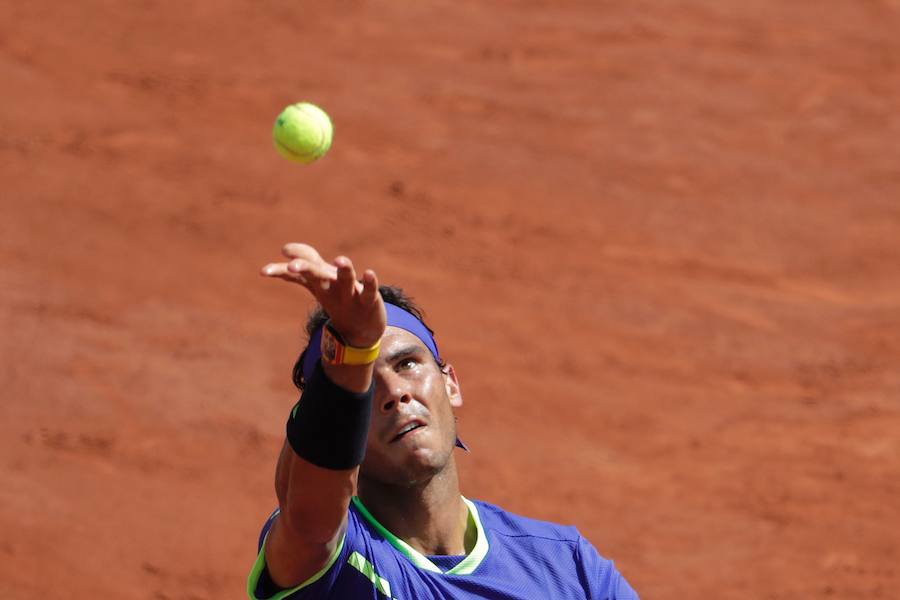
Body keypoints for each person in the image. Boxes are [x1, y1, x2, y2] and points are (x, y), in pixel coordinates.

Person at [248, 242, 639, 599]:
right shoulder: (332, 560)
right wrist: (352, 354)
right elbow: (308, 516)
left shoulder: (566, 566)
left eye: (407, 364)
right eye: (366, 386)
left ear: (450, 383)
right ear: (340, 423)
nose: (396, 394)